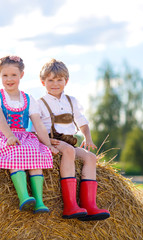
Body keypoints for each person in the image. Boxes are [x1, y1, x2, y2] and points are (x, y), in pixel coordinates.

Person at [0, 55, 58, 213]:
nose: (9, 79)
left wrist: (47, 145)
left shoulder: (28, 99)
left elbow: (38, 124)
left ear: (21, 75)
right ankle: (24, 197)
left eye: (13, 75)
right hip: (3, 136)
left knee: (35, 152)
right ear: (0, 76)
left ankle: (39, 201)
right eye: (5, 75)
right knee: (14, 151)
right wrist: (10, 136)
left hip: (23, 136)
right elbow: (0, 118)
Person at [36, 58, 110, 221]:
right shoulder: (39, 103)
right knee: (69, 151)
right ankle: (70, 205)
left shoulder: (72, 101)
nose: (55, 84)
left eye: (59, 80)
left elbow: (82, 122)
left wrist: (87, 137)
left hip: (69, 141)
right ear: (43, 82)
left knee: (90, 157)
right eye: (50, 80)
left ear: (66, 81)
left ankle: (89, 205)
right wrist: (47, 144)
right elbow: (36, 127)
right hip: (52, 141)